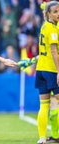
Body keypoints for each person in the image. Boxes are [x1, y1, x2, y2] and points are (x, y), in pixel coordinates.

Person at [34, 1, 59, 143]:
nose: (58, 14)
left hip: (40, 69)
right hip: (51, 70)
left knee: (44, 105)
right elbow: (54, 51)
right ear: (48, 14)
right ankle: (55, 135)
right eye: (55, 12)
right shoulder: (53, 29)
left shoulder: (43, 27)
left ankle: (42, 138)